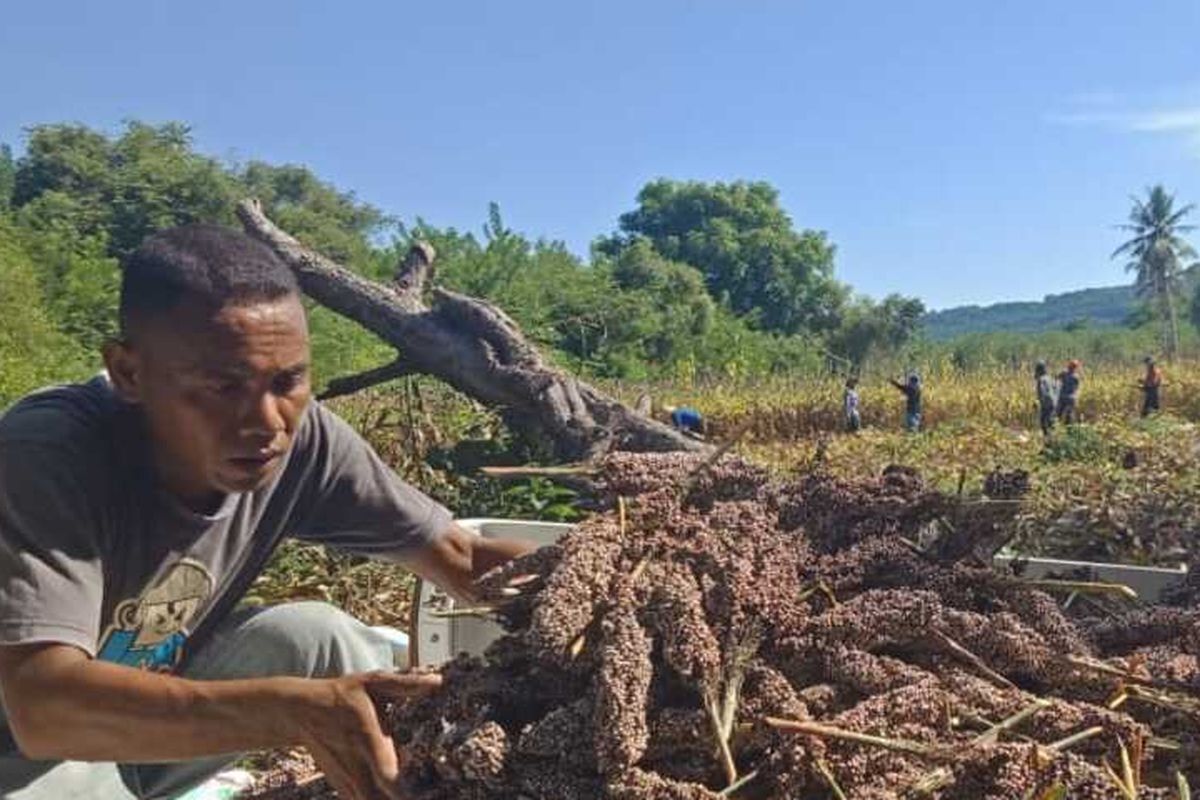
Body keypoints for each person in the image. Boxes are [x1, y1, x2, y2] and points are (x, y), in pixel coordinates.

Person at [0, 224, 535, 800]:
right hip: (28, 750)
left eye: (288, 381)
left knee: (316, 635)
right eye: (223, 386)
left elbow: (461, 556)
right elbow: (41, 705)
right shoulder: (50, 454)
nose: (266, 422)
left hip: (143, 720)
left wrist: (610, 579)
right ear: (130, 373)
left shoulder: (300, 444)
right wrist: (291, 713)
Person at [1034, 360, 1056, 438]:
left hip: (1046, 402)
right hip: (1053, 402)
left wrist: (1038, 401)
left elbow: (1042, 391)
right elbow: (1055, 388)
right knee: (1051, 420)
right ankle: (1053, 436)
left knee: (1043, 421)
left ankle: (1047, 437)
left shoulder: (1041, 379)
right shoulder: (1049, 378)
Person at [1056, 359, 1082, 425]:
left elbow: (1056, 377)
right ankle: (1068, 429)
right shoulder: (1076, 377)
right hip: (1071, 398)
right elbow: (1077, 388)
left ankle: (1056, 427)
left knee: (1058, 414)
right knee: (1069, 415)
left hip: (1063, 397)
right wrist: (1076, 397)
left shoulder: (1064, 373)